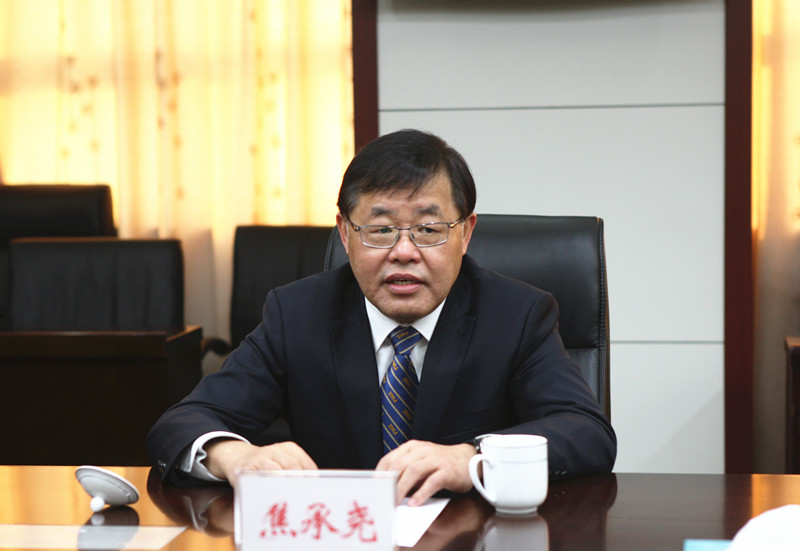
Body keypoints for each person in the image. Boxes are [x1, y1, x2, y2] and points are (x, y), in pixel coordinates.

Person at [146, 128, 616, 506]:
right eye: (381, 229)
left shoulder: (516, 315)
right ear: (345, 234)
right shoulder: (298, 314)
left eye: (428, 229)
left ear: (466, 233)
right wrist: (233, 456)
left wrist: (472, 460)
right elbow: (183, 422)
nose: (404, 251)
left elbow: (586, 431)